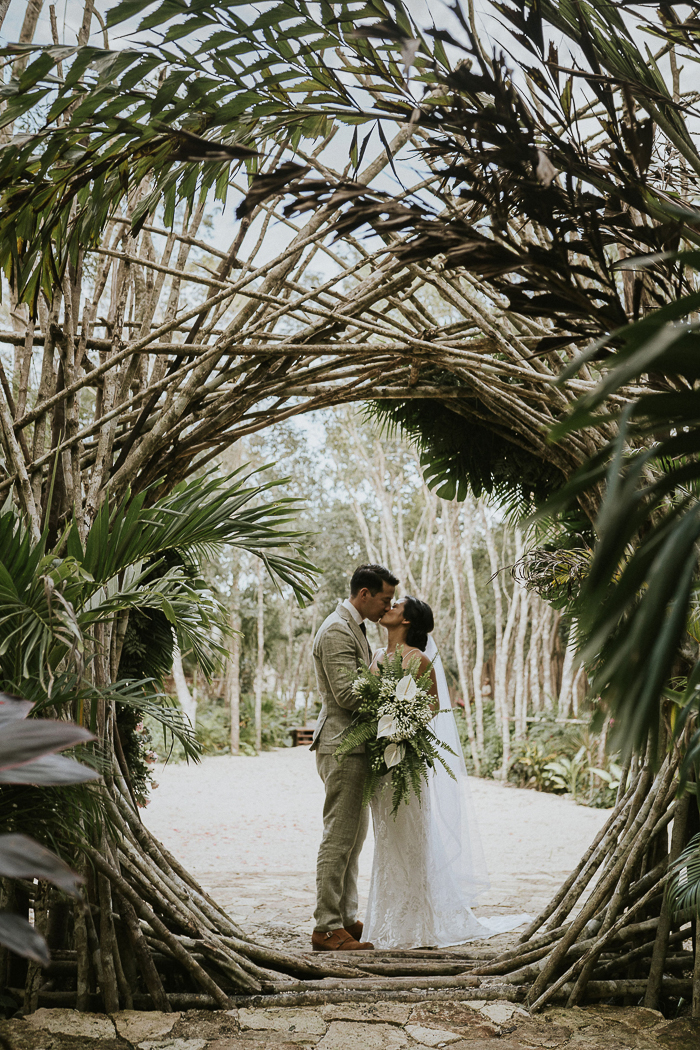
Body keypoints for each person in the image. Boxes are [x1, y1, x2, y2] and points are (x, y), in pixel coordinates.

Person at [365, 596, 529, 949]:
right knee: (387, 842)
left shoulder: (419, 660)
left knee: (410, 838)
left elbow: (434, 707)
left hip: (406, 760)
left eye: (397, 605)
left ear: (407, 621)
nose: (389, 607)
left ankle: (419, 925)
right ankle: (387, 920)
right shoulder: (377, 657)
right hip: (381, 762)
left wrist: (404, 725)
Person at [310, 563, 399, 952]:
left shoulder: (354, 627)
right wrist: (396, 693)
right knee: (338, 837)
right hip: (341, 745)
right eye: (384, 599)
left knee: (354, 838)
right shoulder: (334, 631)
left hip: (355, 745)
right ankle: (326, 926)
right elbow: (347, 695)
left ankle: (345, 919)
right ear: (364, 594)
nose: (387, 607)